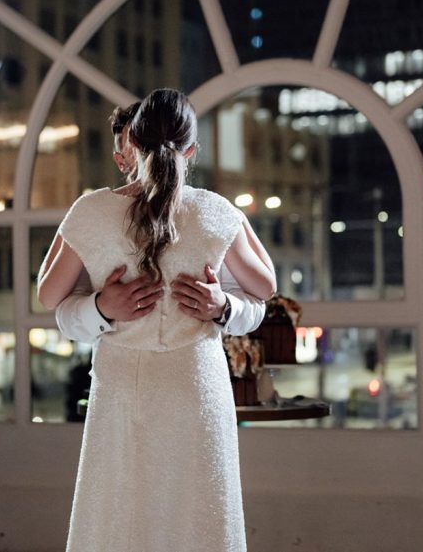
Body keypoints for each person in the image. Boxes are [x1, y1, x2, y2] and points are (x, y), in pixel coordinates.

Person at [38, 88, 276, 552]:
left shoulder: (91, 212)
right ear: (191, 149)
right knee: (199, 519)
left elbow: (49, 295)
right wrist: (104, 307)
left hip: (123, 386)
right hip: (195, 384)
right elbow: (265, 288)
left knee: (117, 516)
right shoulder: (215, 212)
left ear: (132, 144)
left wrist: (222, 307)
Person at [52, 102, 271, 346]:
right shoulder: (96, 217)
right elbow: (61, 309)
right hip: (119, 366)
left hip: (197, 364)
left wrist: (224, 307)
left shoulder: (214, 215)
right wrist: (100, 308)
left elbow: (258, 301)